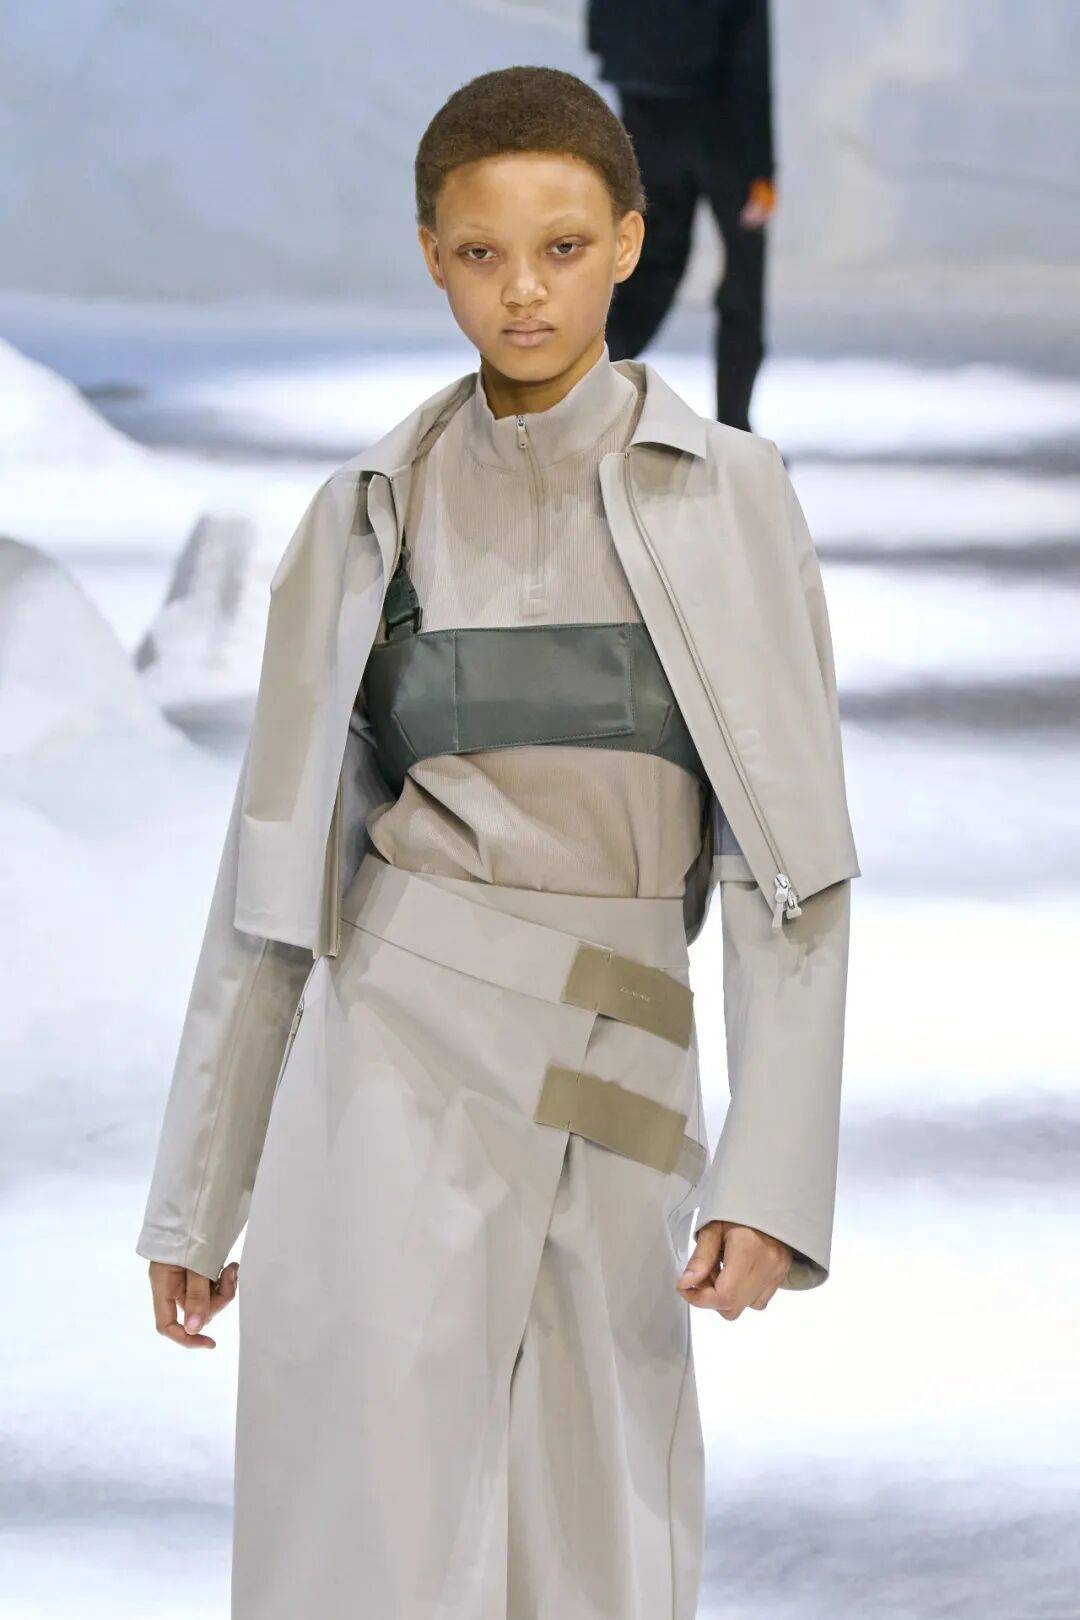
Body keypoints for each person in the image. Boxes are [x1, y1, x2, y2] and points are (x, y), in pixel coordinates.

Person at [136, 65, 858, 1620]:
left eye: (562, 247)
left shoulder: (731, 499)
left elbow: (790, 870)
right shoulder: (367, 513)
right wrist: (200, 1193)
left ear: (630, 243)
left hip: (614, 1054)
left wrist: (775, 1177)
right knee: (366, 1523)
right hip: (390, 1043)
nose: (522, 289)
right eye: (481, 252)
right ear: (431, 257)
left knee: (593, 1525)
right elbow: (276, 876)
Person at [588, 0, 776, 431]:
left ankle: (576, 404)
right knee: (742, 279)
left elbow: (602, 26)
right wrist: (762, 166)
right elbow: (750, 44)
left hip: (647, 110)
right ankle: (735, 429)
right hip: (725, 122)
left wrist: (631, 70)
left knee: (648, 271)